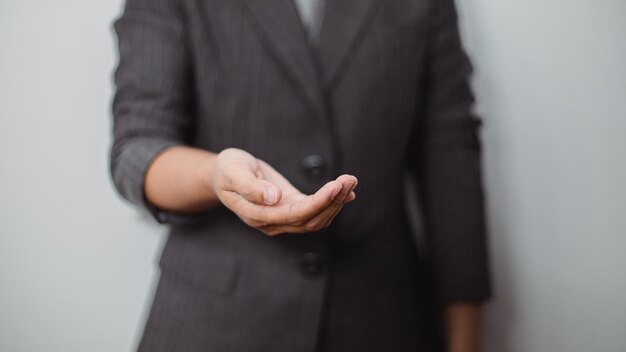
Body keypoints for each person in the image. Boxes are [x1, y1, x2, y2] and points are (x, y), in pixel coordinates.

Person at [110, 0, 491, 351]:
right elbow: (138, 146)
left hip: (380, 318)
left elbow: (450, 155)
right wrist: (214, 175)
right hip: (215, 322)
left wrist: (466, 340)